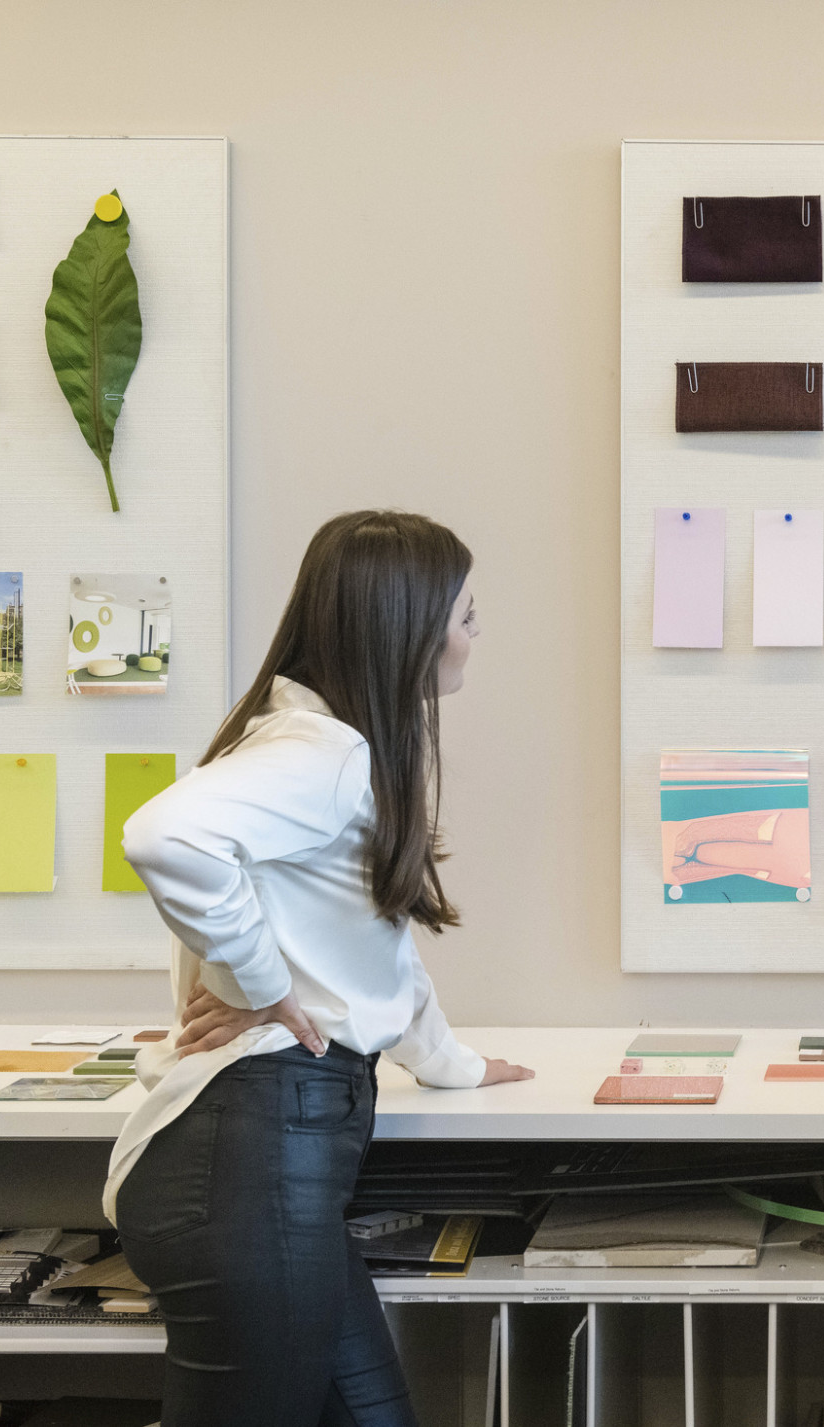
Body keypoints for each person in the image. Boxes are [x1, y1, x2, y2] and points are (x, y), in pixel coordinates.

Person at [106, 510, 534, 1427]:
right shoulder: (322, 751)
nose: (474, 634)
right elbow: (161, 834)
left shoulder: (325, 741)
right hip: (251, 1163)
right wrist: (266, 988)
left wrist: (450, 1061)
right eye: (464, 613)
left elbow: (372, 942)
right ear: (409, 630)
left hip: (273, 1163)